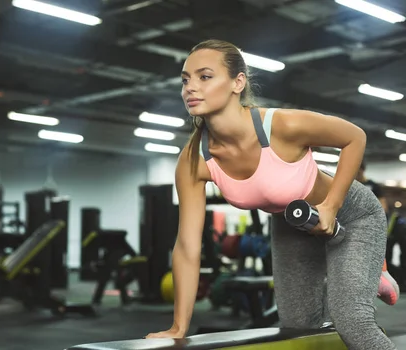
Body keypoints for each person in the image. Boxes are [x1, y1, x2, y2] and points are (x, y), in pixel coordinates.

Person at [145, 39, 397, 349]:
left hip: (351, 214)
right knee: (297, 329)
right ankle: (368, 272)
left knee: (351, 321)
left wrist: (331, 206)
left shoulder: (280, 126)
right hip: (292, 222)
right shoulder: (194, 159)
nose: (190, 88)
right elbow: (186, 246)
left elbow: (354, 137)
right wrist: (178, 326)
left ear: (238, 83)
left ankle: (373, 267)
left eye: (204, 76)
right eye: (186, 79)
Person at [355, 162, 400, 305]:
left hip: (371, 224)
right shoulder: (347, 184)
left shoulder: (373, 186)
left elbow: (383, 206)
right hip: (352, 225)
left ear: (362, 170)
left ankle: (381, 274)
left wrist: (382, 226)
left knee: (373, 254)